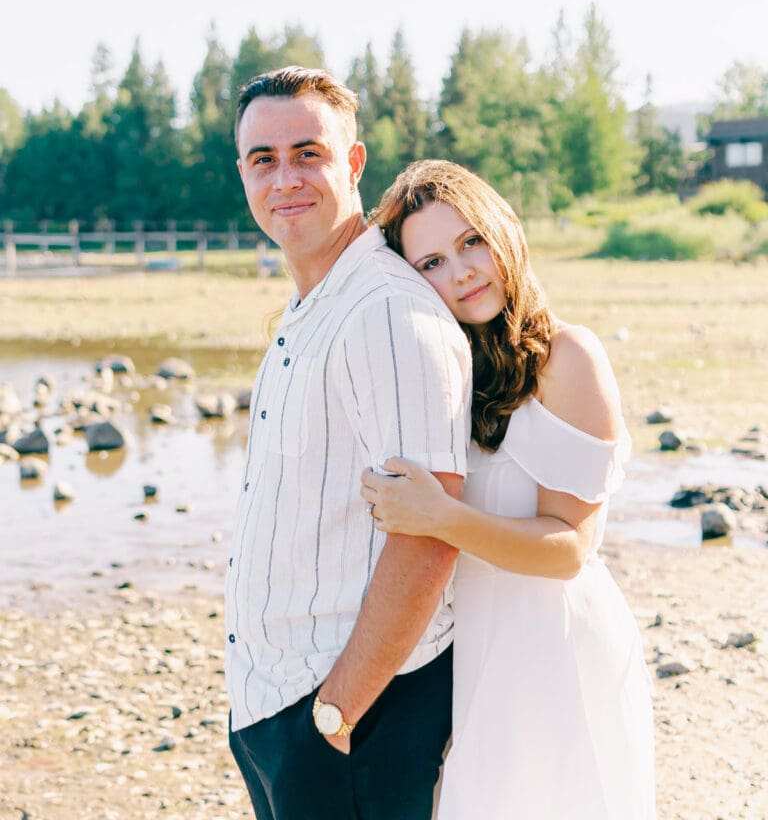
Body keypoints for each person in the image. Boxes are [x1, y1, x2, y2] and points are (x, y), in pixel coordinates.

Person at [362, 159, 656, 820]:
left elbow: (569, 549)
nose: (461, 270)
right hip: (468, 652)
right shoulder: (447, 370)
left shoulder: (566, 357)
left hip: (552, 648)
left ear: (505, 231)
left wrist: (440, 516)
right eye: (431, 262)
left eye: (470, 242)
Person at [225, 69, 472, 820]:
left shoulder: (387, 314)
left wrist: (333, 716)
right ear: (242, 173)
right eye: (263, 159)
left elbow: (431, 535)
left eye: (309, 153)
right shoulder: (310, 310)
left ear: (355, 164)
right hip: (281, 706)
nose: (286, 178)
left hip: (355, 717)